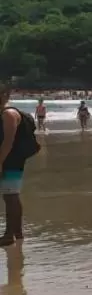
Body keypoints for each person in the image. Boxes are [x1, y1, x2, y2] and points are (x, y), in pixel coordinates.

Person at [0, 86, 40, 246]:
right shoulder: (6, 113)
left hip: (11, 159)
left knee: (10, 196)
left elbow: (8, 142)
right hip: (9, 159)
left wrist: (0, 163)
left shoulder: (9, 114)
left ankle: (10, 235)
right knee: (10, 195)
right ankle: (17, 233)